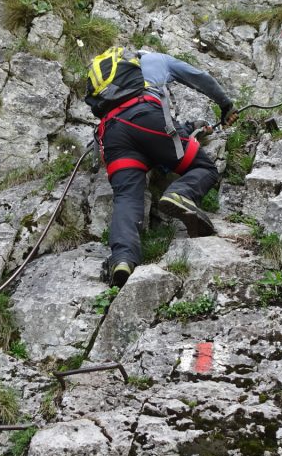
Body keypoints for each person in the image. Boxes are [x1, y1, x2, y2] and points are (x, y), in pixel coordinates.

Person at [84, 47, 238, 287]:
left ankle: (123, 258)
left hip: (113, 134)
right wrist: (226, 105)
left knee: (126, 197)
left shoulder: (111, 84)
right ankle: (181, 193)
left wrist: (191, 127)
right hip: (148, 118)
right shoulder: (157, 59)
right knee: (204, 168)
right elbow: (199, 77)